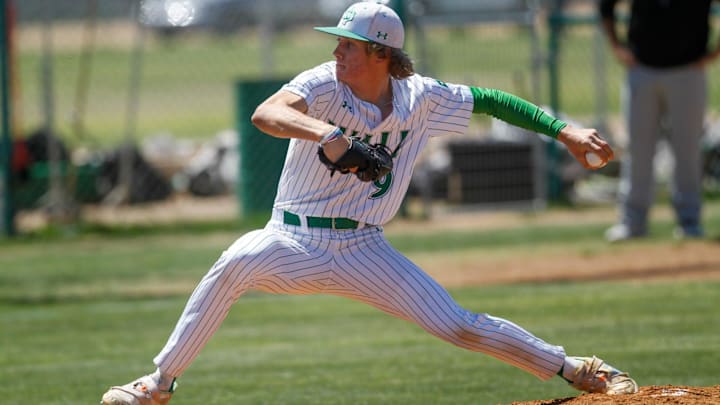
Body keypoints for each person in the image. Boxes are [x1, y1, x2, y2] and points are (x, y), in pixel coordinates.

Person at [101, 3, 638, 404]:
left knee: (458, 325)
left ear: (380, 54)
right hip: (293, 238)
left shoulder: (420, 98)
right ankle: (157, 384)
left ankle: (578, 370)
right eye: (337, 42)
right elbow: (267, 113)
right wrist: (326, 132)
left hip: (364, 247)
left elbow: (492, 101)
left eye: (348, 45)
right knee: (234, 264)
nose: (336, 51)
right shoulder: (324, 84)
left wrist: (563, 130)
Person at [599, 0, 720, 242]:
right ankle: (632, 222)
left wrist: (715, 52)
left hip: (689, 68)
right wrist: (616, 45)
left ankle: (689, 222)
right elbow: (606, 5)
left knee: (687, 148)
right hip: (642, 68)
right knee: (638, 148)